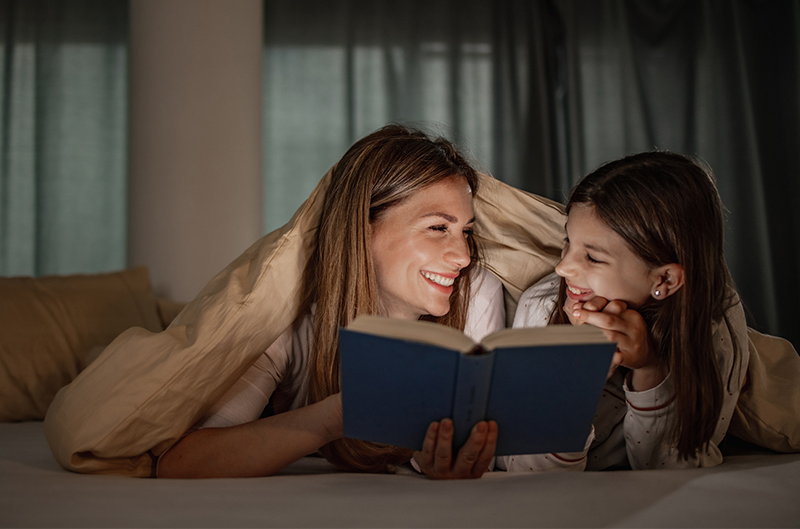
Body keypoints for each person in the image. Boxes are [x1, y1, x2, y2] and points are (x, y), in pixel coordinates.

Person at [158, 124, 506, 479]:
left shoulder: (477, 292)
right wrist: (335, 417)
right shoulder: (294, 313)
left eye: (466, 231)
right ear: (363, 228)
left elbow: (470, 452)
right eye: (437, 228)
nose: (463, 256)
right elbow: (183, 462)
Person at [502, 151, 749, 471]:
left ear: (665, 278)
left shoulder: (716, 327)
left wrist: (650, 369)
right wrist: (577, 381)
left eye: (592, 257)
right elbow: (529, 474)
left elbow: (671, 472)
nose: (563, 267)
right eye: (568, 241)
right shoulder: (543, 306)